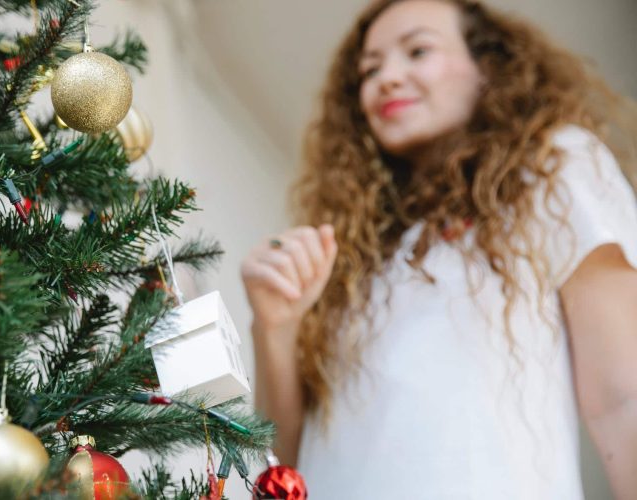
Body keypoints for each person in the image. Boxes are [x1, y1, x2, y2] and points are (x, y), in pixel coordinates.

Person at [240, 0, 637, 498]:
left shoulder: (554, 168)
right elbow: (282, 469)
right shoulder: (349, 248)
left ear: (487, 68)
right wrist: (275, 327)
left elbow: (623, 400)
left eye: (417, 51)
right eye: (370, 70)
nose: (387, 78)